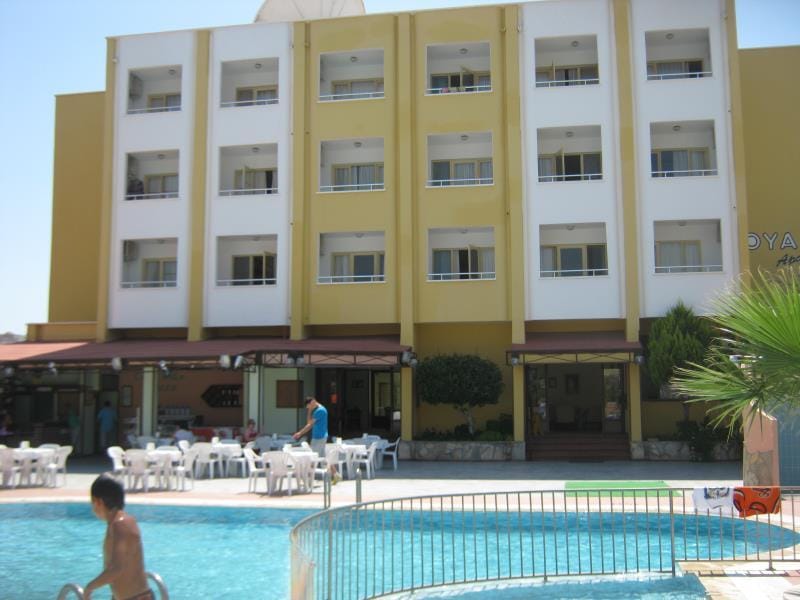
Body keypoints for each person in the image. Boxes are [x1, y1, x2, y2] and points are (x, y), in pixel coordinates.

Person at [85, 474, 152, 600]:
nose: (93, 509)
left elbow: (116, 568)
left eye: (92, 503)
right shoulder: (116, 524)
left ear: (99, 502)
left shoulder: (120, 524)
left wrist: (90, 587)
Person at [293, 396, 340, 483]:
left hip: (319, 437)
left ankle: (308, 478)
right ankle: (336, 475)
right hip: (320, 437)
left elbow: (309, 424)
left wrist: (300, 433)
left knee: (312, 458)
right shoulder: (320, 409)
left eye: (309, 406)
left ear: (313, 402)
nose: (309, 408)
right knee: (323, 458)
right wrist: (310, 410)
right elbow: (309, 423)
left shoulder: (319, 411)